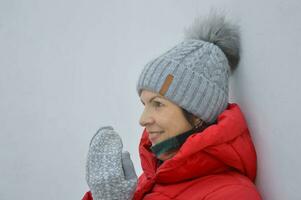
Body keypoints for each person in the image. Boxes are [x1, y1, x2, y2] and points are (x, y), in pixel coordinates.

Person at [82, 12, 262, 200]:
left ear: (197, 114)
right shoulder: (149, 181)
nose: (143, 120)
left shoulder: (232, 194)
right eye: (144, 104)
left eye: (158, 104)